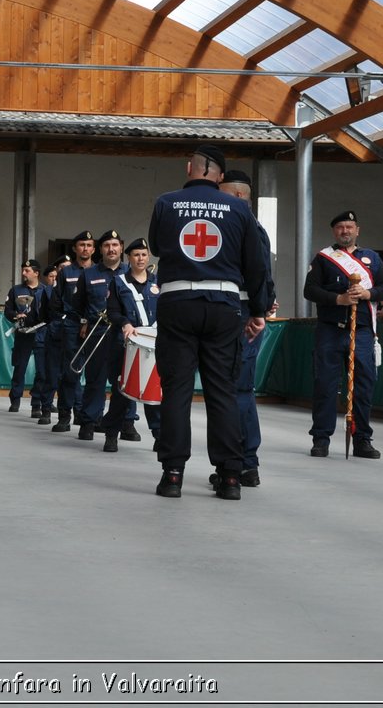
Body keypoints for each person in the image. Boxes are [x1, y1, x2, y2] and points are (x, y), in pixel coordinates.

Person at [148, 145, 270, 500]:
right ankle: (230, 476)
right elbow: (256, 265)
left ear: (190, 168)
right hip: (224, 306)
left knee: (177, 392)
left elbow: (156, 246)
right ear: (220, 175)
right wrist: (258, 310)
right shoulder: (238, 209)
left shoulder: (166, 203)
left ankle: (172, 475)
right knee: (223, 392)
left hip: (177, 302)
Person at [303, 209, 383, 460]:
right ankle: (321, 438)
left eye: (349, 227)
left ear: (357, 230)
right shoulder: (324, 258)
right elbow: (310, 290)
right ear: (335, 231)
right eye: (341, 227)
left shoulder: (372, 259)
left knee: (363, 386)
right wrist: (338, 299)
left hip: (362, 332)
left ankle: (362, 439)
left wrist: (369, 294)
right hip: (330, 330)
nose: (345, 231)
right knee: (325, 385)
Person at [217, 171, 273, 487]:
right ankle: (238, 461)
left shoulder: (250, 229)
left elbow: (260, 273)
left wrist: (259, 310)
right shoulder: (238, 227)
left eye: (221, 195)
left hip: (244, 317)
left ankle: (244, 462)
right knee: (232, 390)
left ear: (239, 196)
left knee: (238, 389)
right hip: (235, 314)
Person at [76, 230, 136, 449]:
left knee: (126, 380)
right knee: (95, 379)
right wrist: (85, 321)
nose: (111, 249)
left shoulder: (131, 272)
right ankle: (89, 422)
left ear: (121, 247)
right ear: (100, 249)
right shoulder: (89, 274)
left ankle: (127, 423)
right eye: (107, 245)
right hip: (98, 333)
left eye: (115, 245)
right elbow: (78, 303)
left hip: (125, 334)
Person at [114, 237, 161, 443]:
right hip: (127, 342)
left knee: (153, 393)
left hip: (154, 343)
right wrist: (125, 323)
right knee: (122, 391)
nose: (140, 258)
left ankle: (159, 436)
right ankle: (111, 434)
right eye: (136, 255)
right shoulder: (119, 282)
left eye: (143, 254)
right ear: (129, 258)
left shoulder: (158, 282)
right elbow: (113, 310)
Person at [52, 230, 96, 434]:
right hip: (71, 327)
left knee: (96, 374)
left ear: (93, 249)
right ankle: (64, 416)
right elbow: (56, 301)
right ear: (74, 248)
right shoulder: (66, 273)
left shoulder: (99, 272)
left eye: (88, 245)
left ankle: (86, 415)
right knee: (70, 373)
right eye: (81, 245)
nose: (85, 248)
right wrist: (64, 321)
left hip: (96, 328)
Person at [3, 258, 47, 414]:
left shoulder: (45, 290)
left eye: (27, 271)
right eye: (23, 270)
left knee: (42, 370)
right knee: (20, 367)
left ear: (36, 273)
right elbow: (7, 311)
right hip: (23, 334)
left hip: (41, 334)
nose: (23, 273)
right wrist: (16, 315)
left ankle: (36, 403)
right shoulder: (15, 290)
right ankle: (15, 400)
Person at [39, 256, 70, 427]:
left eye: (68, 267)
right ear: (56, 271)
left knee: (72, 376)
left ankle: (75, 411)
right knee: (51, 374)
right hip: (54, 334)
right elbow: (43, 315)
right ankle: (45, 409)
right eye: (61, 267)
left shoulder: (78, 287)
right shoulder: (49, 290)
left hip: (73, 335)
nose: (65, 270)